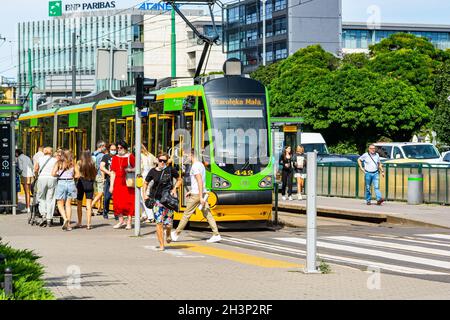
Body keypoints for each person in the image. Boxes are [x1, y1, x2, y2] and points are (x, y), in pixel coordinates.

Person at [171, 149, 221, 244]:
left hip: (197, 195)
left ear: (191, 155)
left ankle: (176, 234)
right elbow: (198, 181)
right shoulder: (201, 165)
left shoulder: (195, 166)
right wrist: (191, 191)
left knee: (186, 214)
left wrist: (200, 196)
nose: (185, 158)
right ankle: (216, 234)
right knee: (208, 214)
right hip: (199, 193)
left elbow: (199, 181)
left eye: (186, 156)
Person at [144, 152, 182, 250]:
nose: (162, 162)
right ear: (157, 160)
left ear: (166, 161)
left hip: (168, 200)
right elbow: (145, 183)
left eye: (164, 161)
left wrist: (174, 189)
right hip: (157, 200)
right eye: (160, 160)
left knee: (168, 224)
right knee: (159, 223)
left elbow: (179, 179)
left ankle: (168, 233)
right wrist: (145, 195)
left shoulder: (170, 170)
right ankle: (161, 245)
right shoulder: (152, 171)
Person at [109, 140, 135, 230]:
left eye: (121, 148)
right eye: (118, 148)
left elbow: (138, 168)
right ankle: (121, 220)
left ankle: (129, 221)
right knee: (117, 202)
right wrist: (111, 185)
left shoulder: (130, 156)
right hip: (117, 183)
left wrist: (131, 170)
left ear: (125, 148)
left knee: (128, 202)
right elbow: (112, 172)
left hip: (128, 183)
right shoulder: (115, 158)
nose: (119, 149)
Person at [52, 149, 77, 231]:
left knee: (60, 204)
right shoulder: (73, 163)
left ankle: (65, 218)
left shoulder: (59, 163)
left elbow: (53, 173)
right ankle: (69, 225)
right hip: (71, 183)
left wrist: (58, 174)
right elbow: (78, 175)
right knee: (68, 204)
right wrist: (72, 175)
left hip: (61, 183)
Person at [35, 147, 57, 227]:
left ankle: (43, 214)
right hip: (52, 179)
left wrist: (37, 176)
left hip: (42, 178)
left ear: (44, 152)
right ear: (51, 152)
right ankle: (49, 218)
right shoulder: (55, 160)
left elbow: (36, 169)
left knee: (41, 197)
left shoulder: (40, 159)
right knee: (50, 199)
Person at [75, 151, 97, 230]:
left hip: (81, 184)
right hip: (89, 183)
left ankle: (80, 222)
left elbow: (77, 175)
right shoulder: (92, 163)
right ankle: (88, 224)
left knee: (79, 204)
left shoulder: (79, 162)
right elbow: (95, 174)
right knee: (89, 205)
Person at [140, 144, 157, 223]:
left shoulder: (140, 156)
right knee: (140, 197)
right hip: (151, 177)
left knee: (144, 196)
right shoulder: (150, 155)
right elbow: (156, 161)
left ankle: (150, 217)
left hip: (143, 178)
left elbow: (139, 168)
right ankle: (144, 214)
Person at [100, 143, 117, 220]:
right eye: (112, 149)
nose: (113, 151)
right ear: (109, 149)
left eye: (114, 150)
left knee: (117, 197)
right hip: (109, 179)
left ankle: (117, 213)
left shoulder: (118, 157)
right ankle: (105, 211)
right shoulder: (106, 157)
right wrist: (109, 173)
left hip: (117, 180)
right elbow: (101, 167)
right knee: (107, 197)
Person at [16, 149, 34, 213]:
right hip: (30, 175)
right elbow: (32, 166)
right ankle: (28, 207)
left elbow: (20, 168)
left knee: (26, 192)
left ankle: (28, 207)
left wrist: (19, 173)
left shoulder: (19, 158)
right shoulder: (27, 157)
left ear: (17, 153)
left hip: (24, 175)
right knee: (28, 192)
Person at [91, 141, 107, 215]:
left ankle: (99, 208)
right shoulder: (102, 155)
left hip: (94, 175)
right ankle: (91, 205)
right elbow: (101, 168)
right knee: (101, 192)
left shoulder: (93, 154)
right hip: (100, 175)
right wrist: (103, 177)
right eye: (104, 146)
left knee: (97, 192)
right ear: (101, 146)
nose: (105, 147)